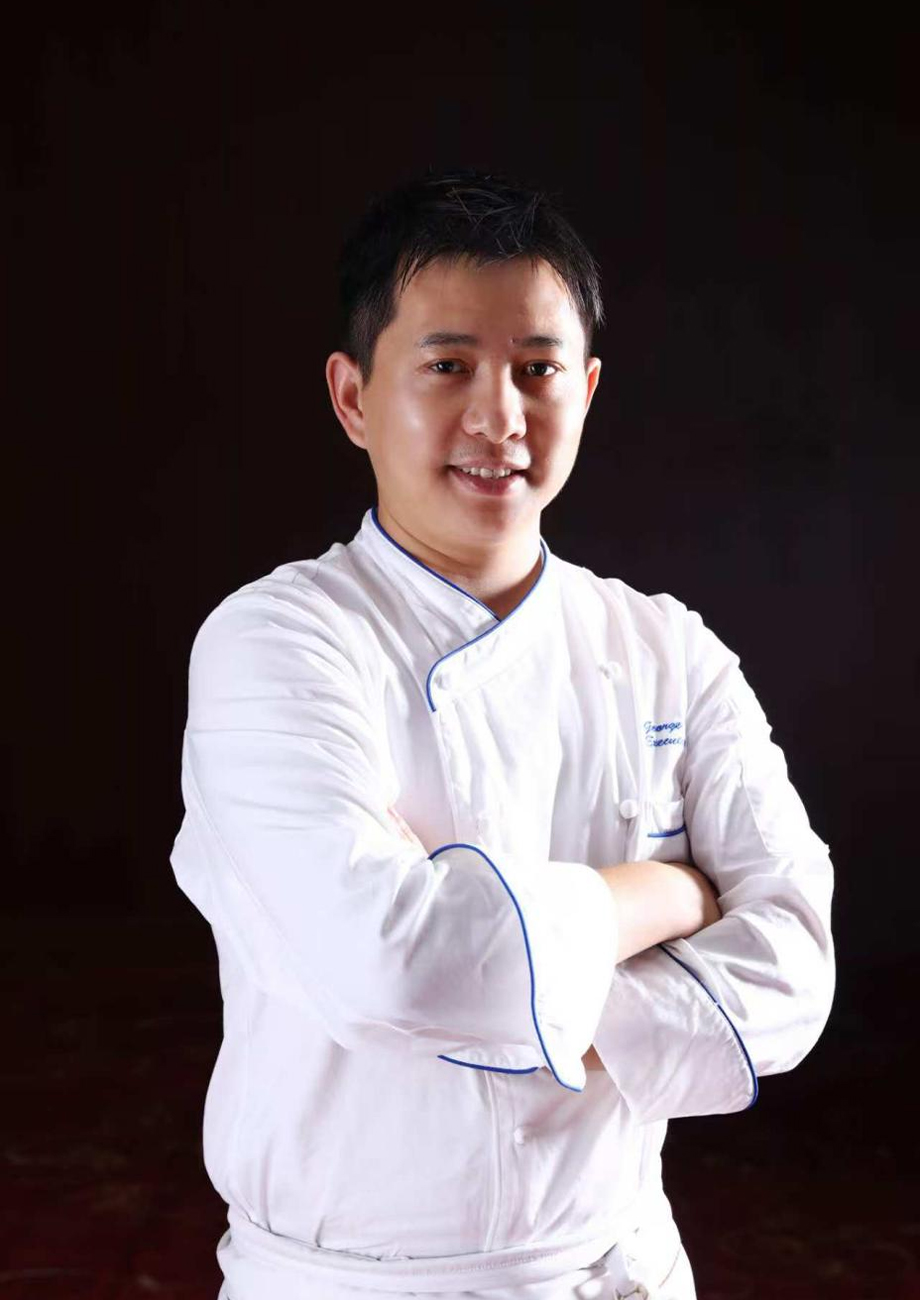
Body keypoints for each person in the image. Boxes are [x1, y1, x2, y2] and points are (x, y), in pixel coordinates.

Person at [169, 166, 835, 1299]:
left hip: (611, 1265)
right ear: (352, 397)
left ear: (587, 388)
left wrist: (502, 970)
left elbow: (793, 970)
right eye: (447, 367)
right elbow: (397, 962)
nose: (499, 417)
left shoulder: (667, 648)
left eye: (536, 369)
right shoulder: (274, 643)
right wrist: (665, 896)